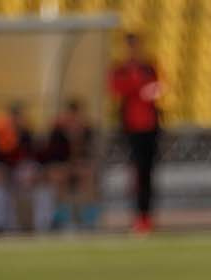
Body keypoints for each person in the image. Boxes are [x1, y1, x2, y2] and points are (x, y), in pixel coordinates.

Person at [106, 33, 162, 234]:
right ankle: (138, 217)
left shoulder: (149, 66)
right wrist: (138, 87)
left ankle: (146, 217)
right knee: (136, 173)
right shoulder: (120, 68)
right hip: (131, 128)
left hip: (150, 127)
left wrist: (139, 88)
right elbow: (117, 89)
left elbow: (158, 89)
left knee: (147, 173)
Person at [0, 100, 41, 233]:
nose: (16, 118)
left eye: (18, 114)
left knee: (31, 185)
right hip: (1, 169)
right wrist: (2, 170)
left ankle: (31, 226)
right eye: (14, 114)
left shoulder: (26, 132)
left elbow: (30, 157)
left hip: (18, 171)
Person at [36, 98, 94, 229]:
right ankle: (62, 217)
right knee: (58, 176)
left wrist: (77, 157)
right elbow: (52, 154)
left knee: (87, 175)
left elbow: (87, 153)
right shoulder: (58, 130)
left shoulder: (86, 129)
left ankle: (88, 219)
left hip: (78, 165)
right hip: (62, 165)